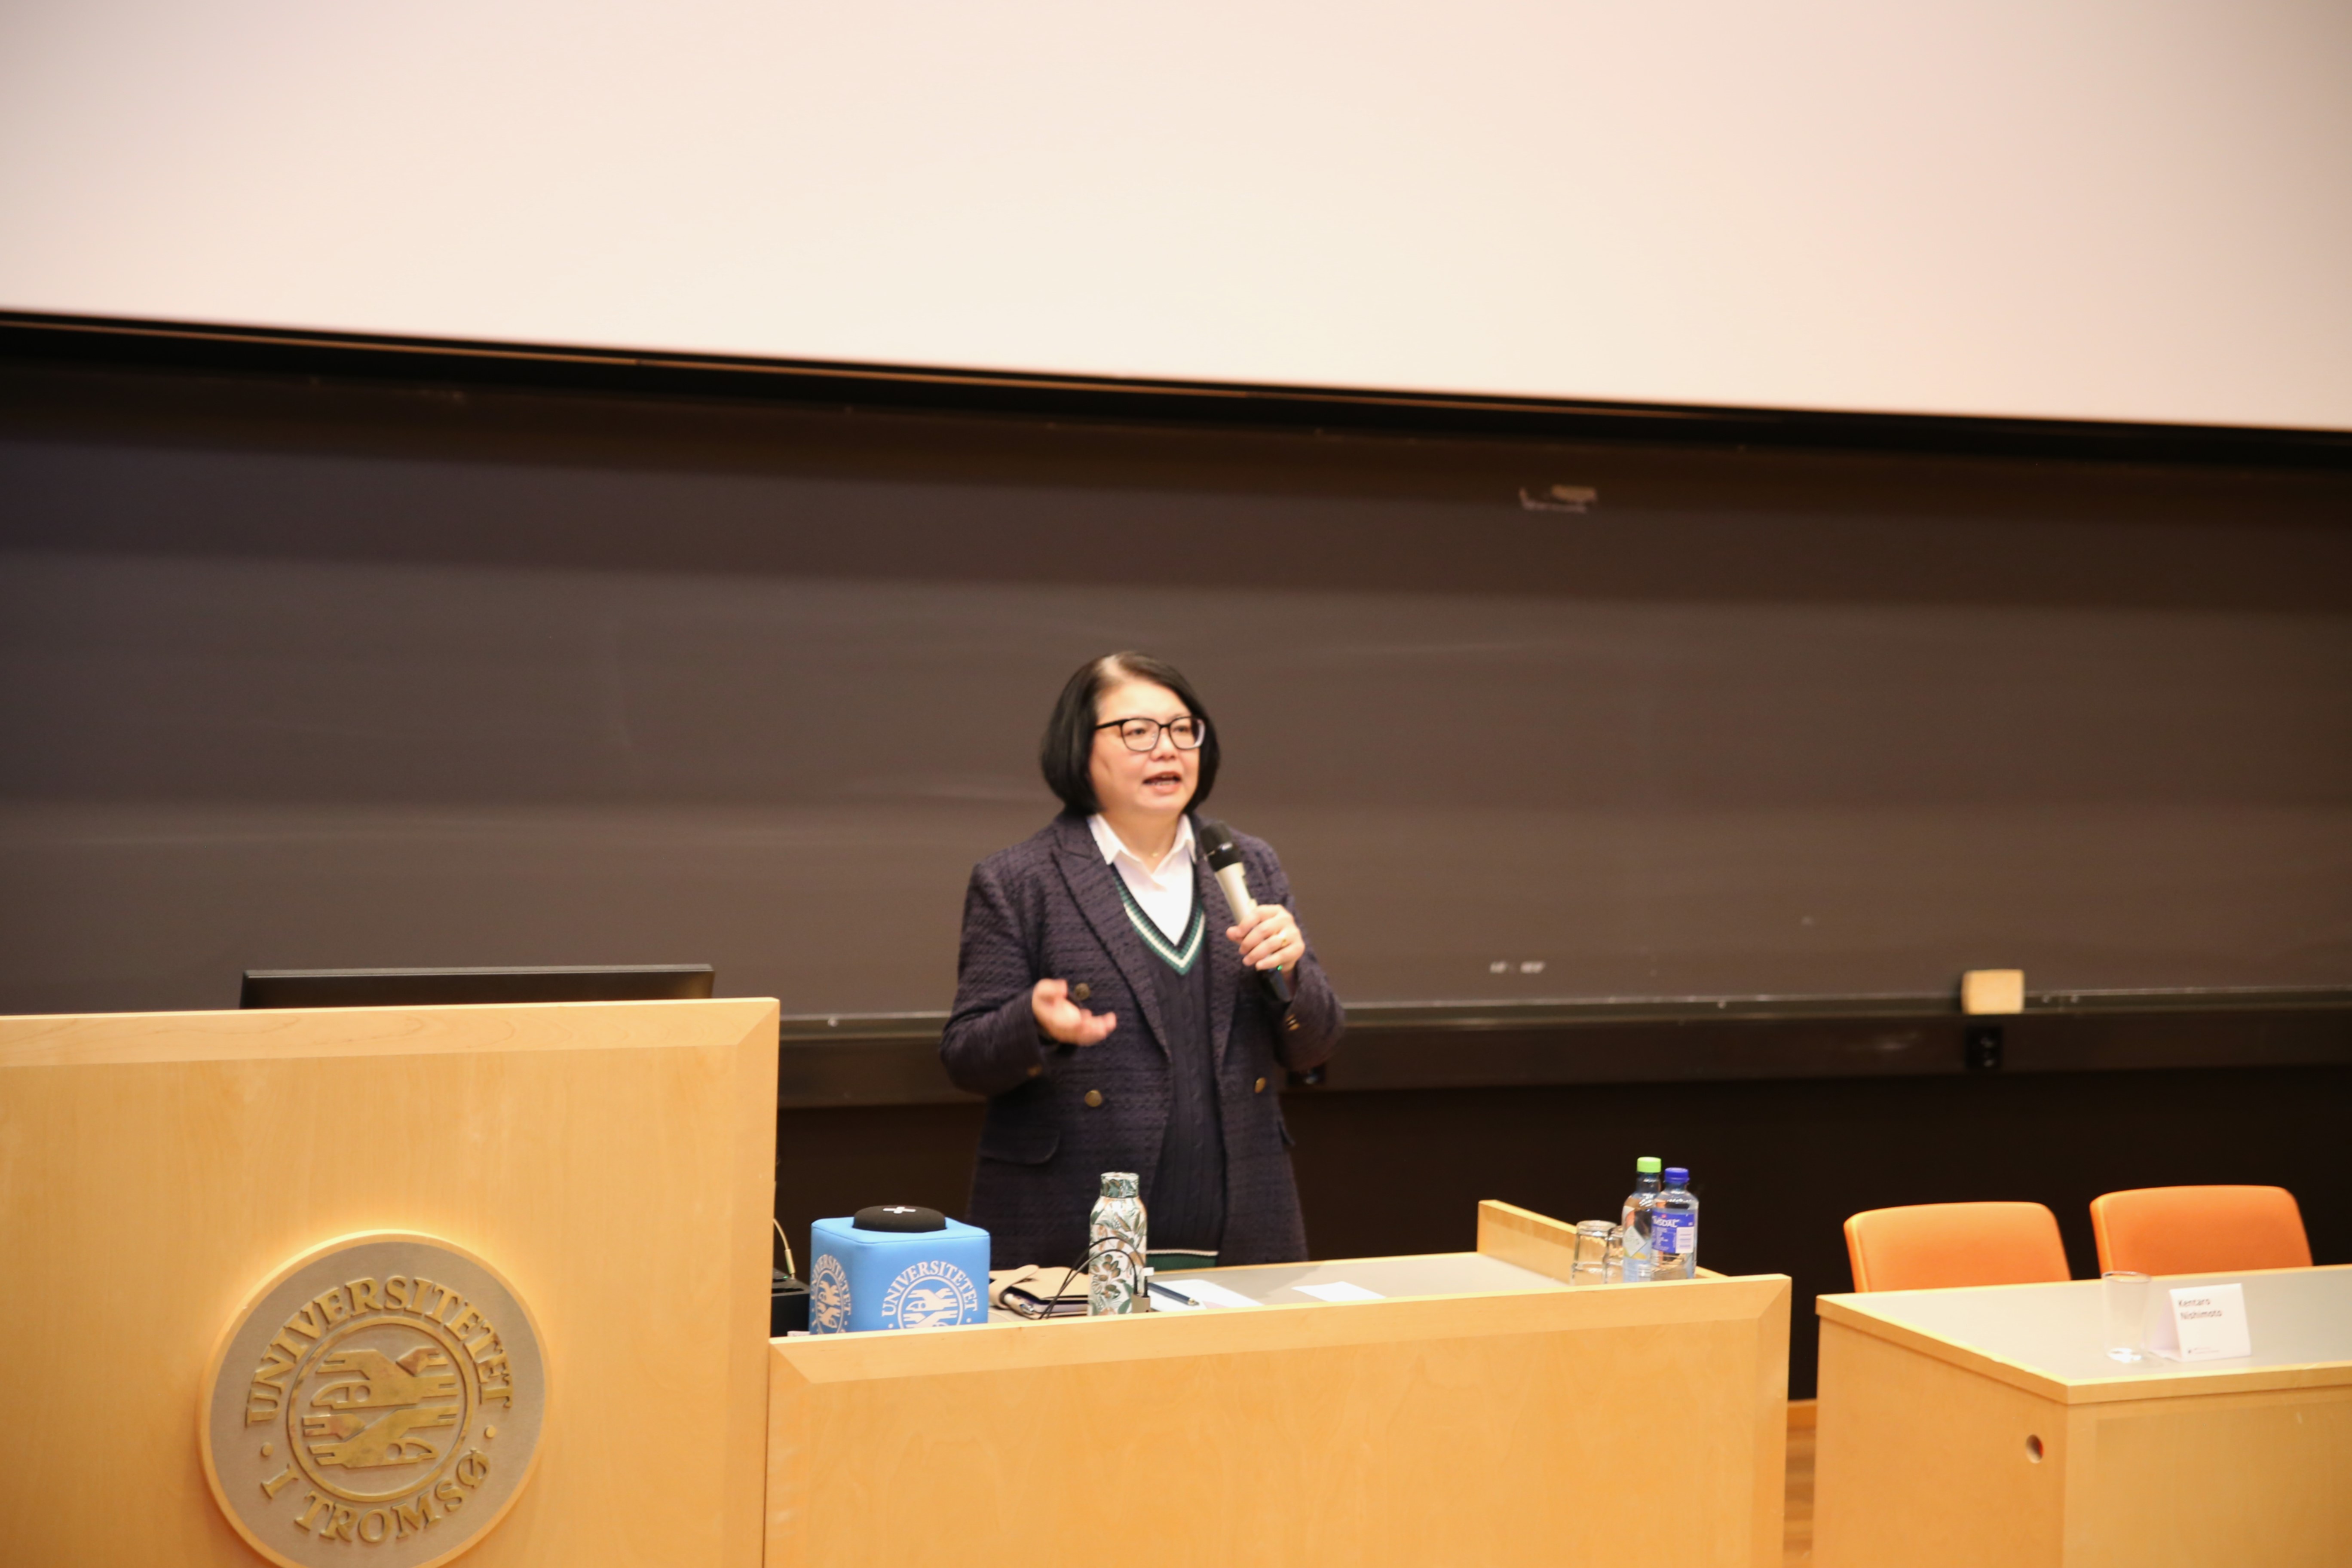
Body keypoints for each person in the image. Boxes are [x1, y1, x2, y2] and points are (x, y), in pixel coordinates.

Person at [940, 651, 1345, 1271]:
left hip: (1241, 1228)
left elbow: (1314, 1048)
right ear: (1080, 749)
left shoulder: (1248, 865)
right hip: (1074, 1238)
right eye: (1138, 732)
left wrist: (1292, 976)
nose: (1169, 750)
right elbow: (966, 1057)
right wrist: (1035, 1023)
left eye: (1185, 730)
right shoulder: (1020, 880)